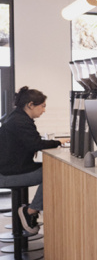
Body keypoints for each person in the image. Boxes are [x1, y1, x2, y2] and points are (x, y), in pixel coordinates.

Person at [0, 87, 65, 234]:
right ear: (30, 105)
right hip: (7, 175)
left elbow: (31, 142)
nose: (44, 110)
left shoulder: (17, 117)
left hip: (10, 169)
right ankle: (30, 211)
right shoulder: (20, 121)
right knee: (52, 173)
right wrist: (58, 142)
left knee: (50, 168)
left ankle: (31, 209)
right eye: (42, 106)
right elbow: (36, 144)